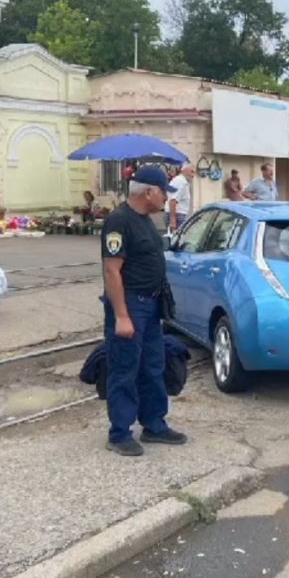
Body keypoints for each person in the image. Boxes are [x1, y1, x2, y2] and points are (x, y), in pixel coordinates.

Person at [101, 165, 188, 456]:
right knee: (125, 367)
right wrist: (122, 316)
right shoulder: (119, 221)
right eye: (164, 191)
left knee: (153, 365)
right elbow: (112, 271)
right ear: (149, 192)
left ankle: (154, 424)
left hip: (151, 305)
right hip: (130, 305)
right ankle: (119, 433)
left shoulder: (146, 220)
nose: (166, 197)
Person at [166, 163, 194, 232]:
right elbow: (172, 201)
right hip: (177, 215)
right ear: (184, 171)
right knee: (177, 237)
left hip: (177, 215)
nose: (193, 175)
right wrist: (173, 221)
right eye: (191, 171)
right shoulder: (180, 182)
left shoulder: (180, 181)